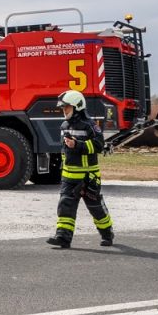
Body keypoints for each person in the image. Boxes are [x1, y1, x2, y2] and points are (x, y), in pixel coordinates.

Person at [47, 90, 114, 248]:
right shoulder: (64, 125)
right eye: (63, 108)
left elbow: (99, 145)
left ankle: (107, 233)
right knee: (65, 206)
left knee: (95, 207)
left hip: (87, 177)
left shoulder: (90, 125)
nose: (64, 111)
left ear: (77, 106)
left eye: (67, 107)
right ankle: (63, 238)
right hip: (69, 177)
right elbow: (65, 151)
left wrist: (78, 144)